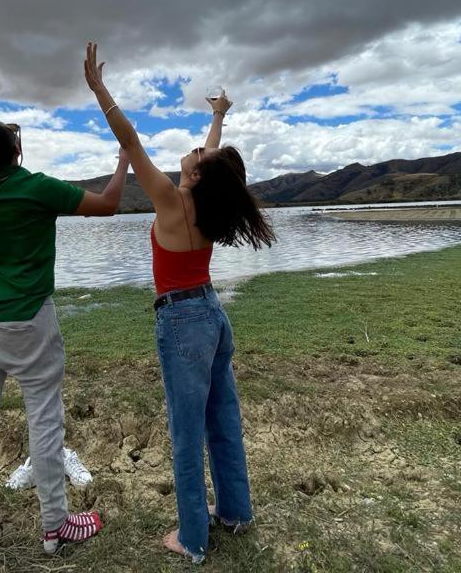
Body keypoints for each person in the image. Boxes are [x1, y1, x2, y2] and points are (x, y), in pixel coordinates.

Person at [83, 42, 275, 563]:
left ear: (194, 174)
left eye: (198, 152)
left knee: (187, 433)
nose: (196, 148)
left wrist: (101, 92)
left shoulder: (173, 199)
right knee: (223, 417)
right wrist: (217, 116)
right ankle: (235, 512)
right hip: (212, 313)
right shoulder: (205, 200)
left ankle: (192, 538)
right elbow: (211, 159)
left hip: (183, 320)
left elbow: (131, 139)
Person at [0, 116, 129, 554]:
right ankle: (55, 525)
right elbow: (110, 203)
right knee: (44, 416)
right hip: (31, 322)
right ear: (17, 151)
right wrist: (124, 160)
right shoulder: (37, 187)